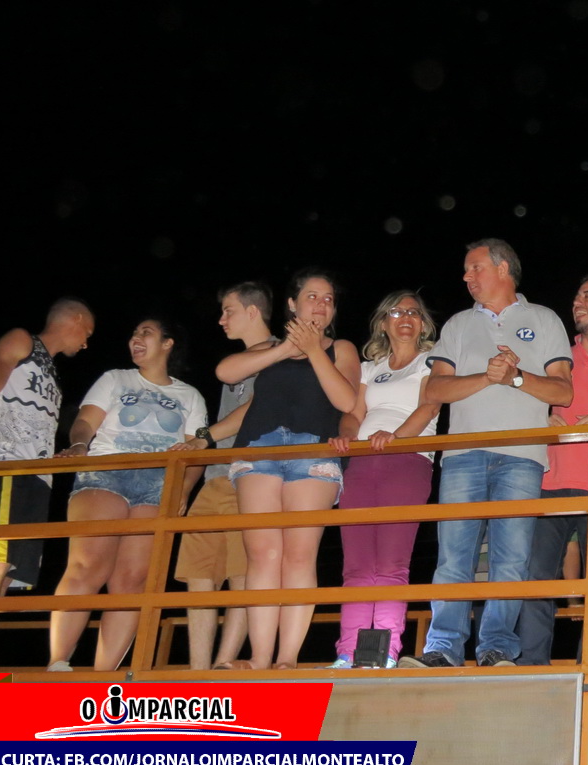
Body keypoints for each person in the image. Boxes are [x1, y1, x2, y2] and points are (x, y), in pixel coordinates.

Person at [401, 238, 572, 669]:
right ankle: (443, 648)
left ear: (502, 269)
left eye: (475, 267)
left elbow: (563, 392)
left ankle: (496, 648)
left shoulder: (544, 318)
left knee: (511, 559)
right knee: (453, 558)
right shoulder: (458, 324)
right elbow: (435, 389)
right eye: (466, 269)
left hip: (522, 456)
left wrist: (515, 377)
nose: (466, 276)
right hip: (462, 455)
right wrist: (488, 376)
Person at [48, 317, 207, 671]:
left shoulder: (190, 395)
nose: (135, 337)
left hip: (158, 483)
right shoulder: (115, 378)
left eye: (146, 333)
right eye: (134, 333)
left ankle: (105, 675)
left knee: (132, 581)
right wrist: (79, 445)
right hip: (107, 470)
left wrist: (183, 489)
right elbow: (85, 421)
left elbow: (197, 449)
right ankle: (58, 664)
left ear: (167, 343)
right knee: (88, 565)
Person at [219, 268, 359, 670]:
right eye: (312, 296)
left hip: (314, 451)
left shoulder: (341, 348)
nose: (321, 304)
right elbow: (226, 371)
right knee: (263, 554)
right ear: (292, 304)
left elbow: (347, 402)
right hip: (260, 449)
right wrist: (286, 349)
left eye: (329, 299)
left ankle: (286, 659)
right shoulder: (270, 347)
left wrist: (314, 349)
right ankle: (260, 657)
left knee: (299, 556)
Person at [326, 290, 440, 669]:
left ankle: (384, 653)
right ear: (383, 323)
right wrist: (346, 435)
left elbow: (429, 406)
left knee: (391, 564)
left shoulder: (431, 362)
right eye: (396, 311)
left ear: (423, 324)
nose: (405, 317)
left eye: (414, 312)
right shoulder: (370, 367)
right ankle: (348, 653)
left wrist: (396, 437)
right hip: (362, 462)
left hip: (407, 460)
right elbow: (353, 413)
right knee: (357, 566)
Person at [516, 274, 588, 666]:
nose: (578, 301)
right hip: (551, 479)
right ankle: (532, 666)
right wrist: (541, 415)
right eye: (576, 296)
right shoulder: (557, 354)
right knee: (535, 579)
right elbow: (525, 393)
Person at [168, 282, 274, 670]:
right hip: (215, 474)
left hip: (252, 474)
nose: (221, 319)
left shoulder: (282, 353)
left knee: (243, 572)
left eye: (229, 310)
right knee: (199, 574)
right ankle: (198, 673)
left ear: (252, 311)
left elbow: (256, 409)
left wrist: (204, 437)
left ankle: (224, 667)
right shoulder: (238, 361)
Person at [0, 298, 94, 599]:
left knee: (11, 569)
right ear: (76, 319)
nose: (86, 344)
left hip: (38, 477)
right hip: (8, 463)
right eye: (88, 333)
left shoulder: (53, 374)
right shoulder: (23, 341)